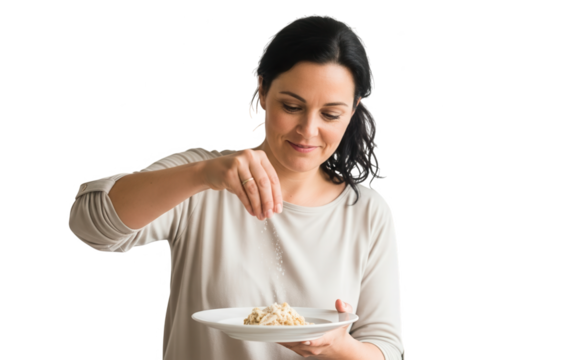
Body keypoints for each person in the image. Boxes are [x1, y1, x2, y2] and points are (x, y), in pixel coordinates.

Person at [68, 14, 402, 360]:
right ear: (262, 89)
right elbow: (90, 225)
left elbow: (387, 349)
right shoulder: (202, 176)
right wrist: (202, 175)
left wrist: (337, 347)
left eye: (331, 114)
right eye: (291, 106)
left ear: (353, 109)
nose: (308, 130)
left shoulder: (367, 213)